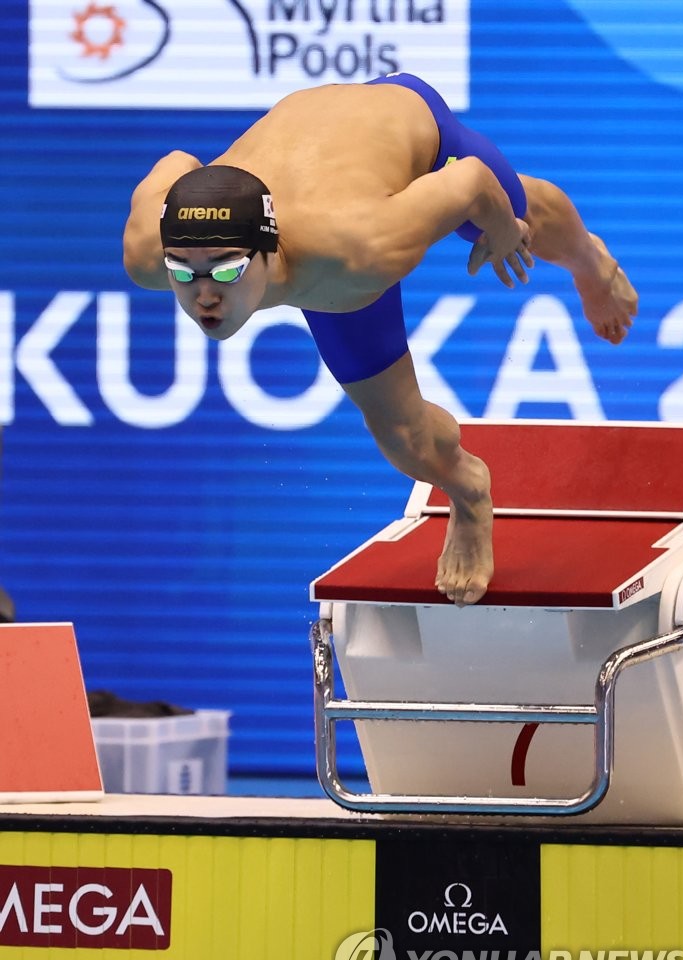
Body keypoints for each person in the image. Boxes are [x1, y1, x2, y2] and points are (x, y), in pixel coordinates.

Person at [123, 72, 638, 607]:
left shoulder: (358, 248)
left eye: (226, 271)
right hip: (312, 154)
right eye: (183, 272)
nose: (202, 294)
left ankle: (590, 261)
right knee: (406, 440)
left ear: (270, 249)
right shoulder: (147, 252)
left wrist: (502, 230)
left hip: (405, 121)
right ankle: (469, 488)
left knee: (511, 207)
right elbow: (178, 163)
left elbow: (470, 182)